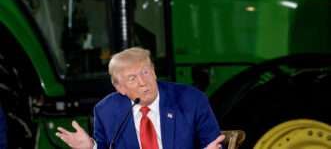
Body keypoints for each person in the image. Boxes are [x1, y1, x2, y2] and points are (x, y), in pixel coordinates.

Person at [56, 47, 225, 149]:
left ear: (154, 71)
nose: (143, 82)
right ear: (120, 88)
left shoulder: (191, 100)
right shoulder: (106, 111)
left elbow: (216, 143)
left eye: (145, 72)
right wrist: (90, 147)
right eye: (132, 78)